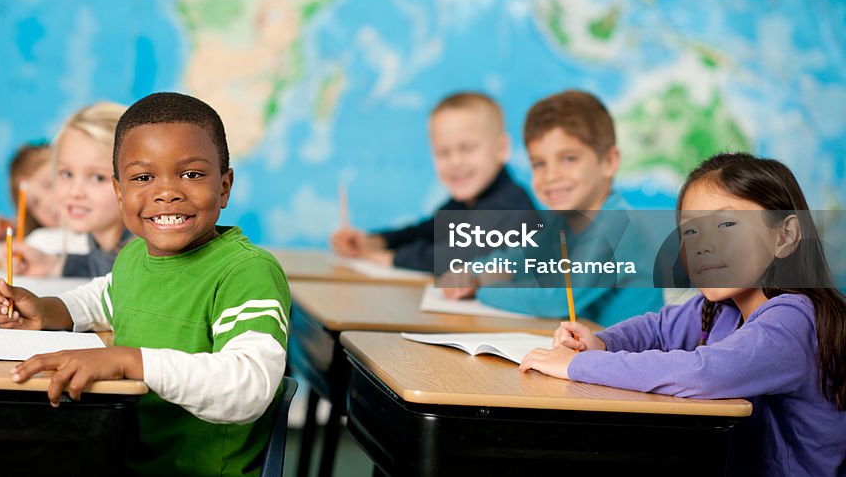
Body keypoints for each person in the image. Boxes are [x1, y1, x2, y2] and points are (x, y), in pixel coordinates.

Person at [0, 92, 290, 475]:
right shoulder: (134, 257)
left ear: (225, 186)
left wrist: (130, 361)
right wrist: (47, 310)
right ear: (120, 192)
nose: (166, 192)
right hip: (127, 457)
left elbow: (249, 387)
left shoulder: (247, 272)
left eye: (191, 174)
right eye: (143, 178)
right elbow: (102, 300)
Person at [521, 153, 846, 477]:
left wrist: (577, 365)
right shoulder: (722, 307)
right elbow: (657, 330)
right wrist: (600, 343)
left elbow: (704, 374)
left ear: (785, 236)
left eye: (726, 224)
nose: (702, 245)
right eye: (691, 231)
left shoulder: (794, 319)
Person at [453, 90, 664, 326]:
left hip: (635, 358)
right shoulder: (562, 221)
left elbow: (558, 300)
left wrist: (484, 288)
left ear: (608, 162)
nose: (551, 176)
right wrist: (471, 272)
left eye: (569, 158)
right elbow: (518, 259)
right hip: (590, 347)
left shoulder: (616, 226)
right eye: (539, 164)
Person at [330, 91, 534, 271]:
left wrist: (388, 258)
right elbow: (424, 232)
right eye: (442, 152)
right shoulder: (464, 204)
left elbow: (457, 256)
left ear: (501, 149)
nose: (455, 162)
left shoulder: (509, 204)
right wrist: (375, 241)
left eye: (467, 148)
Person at [7, 102, 130, 277]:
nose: (75, 192)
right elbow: (103, 268)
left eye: (97, 178)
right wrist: (51, 264)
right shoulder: (103, 239)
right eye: (66, 174)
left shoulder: (149, 254)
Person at [0, 142, 59, 241]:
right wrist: (12, 229)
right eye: (35, 203)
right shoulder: (43, 239)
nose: (47, 203)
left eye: (49, 185)